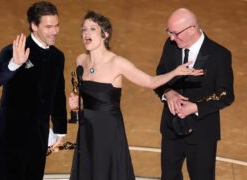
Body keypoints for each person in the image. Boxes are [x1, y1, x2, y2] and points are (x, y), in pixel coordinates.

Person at [68, 11, 203, 180]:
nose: (86, 33)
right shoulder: (81, 60)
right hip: (87, 129)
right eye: (84, 29)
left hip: (108, 132)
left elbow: (149, 81)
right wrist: (77, 103)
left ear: (105, 34)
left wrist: (174, 72)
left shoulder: (117, 63)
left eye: (92, 29)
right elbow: (86, 97)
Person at [0, 1, 67, 179]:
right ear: (34, 26)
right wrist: (14, 64)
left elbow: (57, 95)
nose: (55, 31)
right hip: (10, 140)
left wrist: (60, 130)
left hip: (38, 141)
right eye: (49, 26)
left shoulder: (58, 57)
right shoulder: (13, 50)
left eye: (57, 25)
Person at [154, 8, 234, 180]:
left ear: (192, 29)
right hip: (171, 129)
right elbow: (160, 75)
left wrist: (196, 107)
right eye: (169, 32)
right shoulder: (170, 46)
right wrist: (168, 92)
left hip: (202, 134)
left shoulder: (220, 55)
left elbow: (226, 94)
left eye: (175, 33)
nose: (171, 38)